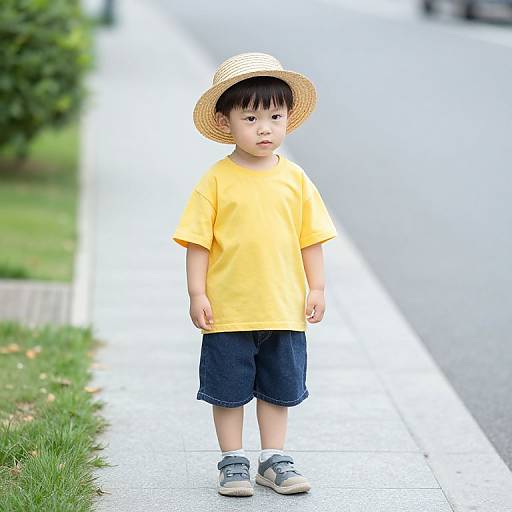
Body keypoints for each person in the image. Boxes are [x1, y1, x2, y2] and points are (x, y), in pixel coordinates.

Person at [172, 52, 337, 497]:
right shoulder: (216, 181)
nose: (265, 128)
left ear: (287, 120)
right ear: (226, 122)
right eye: (251, 117)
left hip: (282, 308)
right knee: (227, 391)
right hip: (229, 310)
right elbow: (197, 242)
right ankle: (232, 460)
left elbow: (311, 239)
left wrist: (317, 286)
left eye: (275, 117)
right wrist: (196, 294)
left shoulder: (296, 179)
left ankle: (273, 458)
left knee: (278, 389)